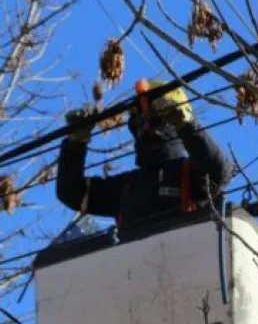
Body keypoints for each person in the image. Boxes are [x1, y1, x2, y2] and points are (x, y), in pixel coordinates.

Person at [56, 79, 233, 234]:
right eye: (139, 123)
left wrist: (187, 126)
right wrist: (76, 143)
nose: (145, 129)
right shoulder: (127, 186)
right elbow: (71, 192)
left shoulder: (190, 174)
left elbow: (219, 172)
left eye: (154, 120)